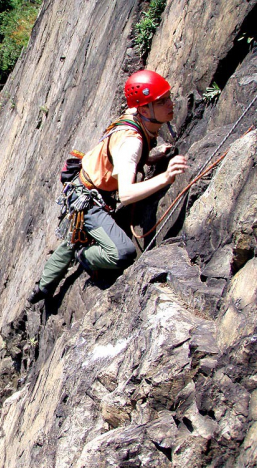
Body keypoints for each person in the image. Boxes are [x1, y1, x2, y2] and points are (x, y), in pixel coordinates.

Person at [28, 70, 188, 303]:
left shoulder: (135, 116)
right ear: (144, 110)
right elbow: (126, 193)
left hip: (86, 187)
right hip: (89, 199)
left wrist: (149, 158)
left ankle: (43, 288)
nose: (170, 104)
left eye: (168, 97)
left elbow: (122, 157)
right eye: (161, 101)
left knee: (74, 237)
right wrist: (166, 178)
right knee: (122, 253)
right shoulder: (132, 141)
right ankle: (85, 255)